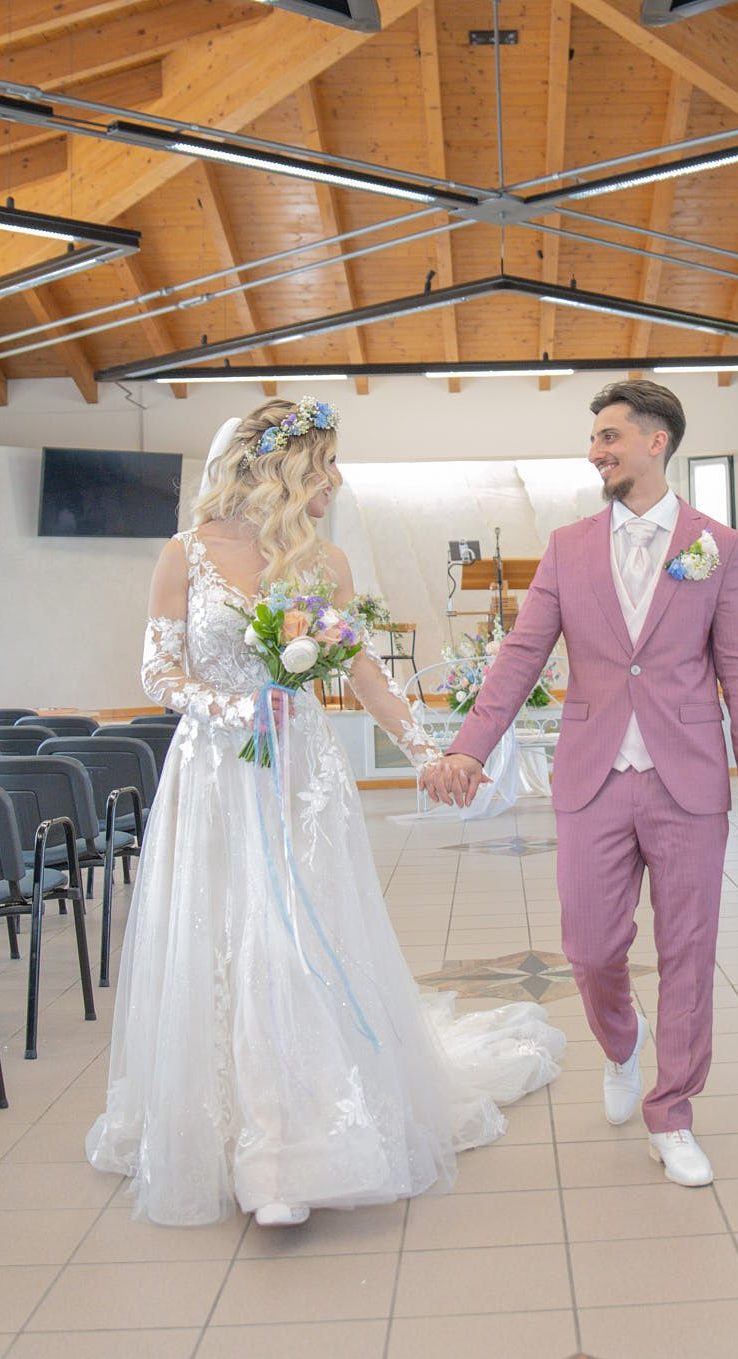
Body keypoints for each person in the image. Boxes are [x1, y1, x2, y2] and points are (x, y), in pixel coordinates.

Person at [86, 396, 564, 1229]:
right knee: (225, 936)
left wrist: (428, 751)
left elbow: (366, 674)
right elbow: (157, 674)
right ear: (281, 466)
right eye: (326, 462)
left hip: (300, 775)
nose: (335, 478)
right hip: (215, 773)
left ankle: (286, 1149)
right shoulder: (184, 555)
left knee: (294, 938)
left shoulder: (325, 563)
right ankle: (224, 1126)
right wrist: (229, 708)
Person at [422, 380, 738, 1188]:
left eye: (610, 436)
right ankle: (622, 1043)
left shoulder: (719, 546)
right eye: (593, 440)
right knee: (588, 947)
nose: (596, 451)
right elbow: (520, 655)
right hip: (593, 777)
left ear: (657, 441)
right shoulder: (567, 546)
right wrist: (472, 749)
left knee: (688, 952)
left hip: (688, 779)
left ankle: (673, 1112)